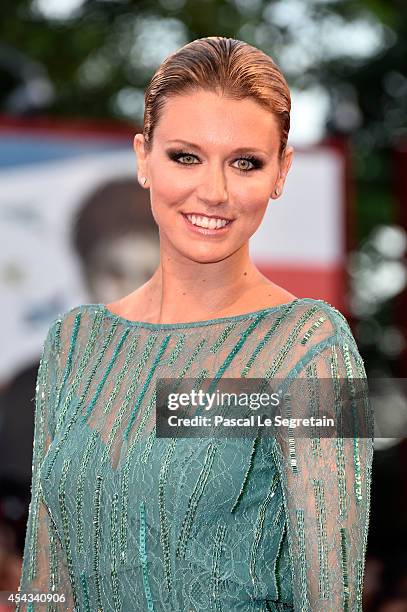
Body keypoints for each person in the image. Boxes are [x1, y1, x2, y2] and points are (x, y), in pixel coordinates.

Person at [17, 36, 373, 611]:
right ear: (143, 157)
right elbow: (45, 579)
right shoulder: (73, 342)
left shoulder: (312, 347)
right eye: (186, 156)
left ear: (281, 173)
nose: (214, 191)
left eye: (245, 163)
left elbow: (333, 596)